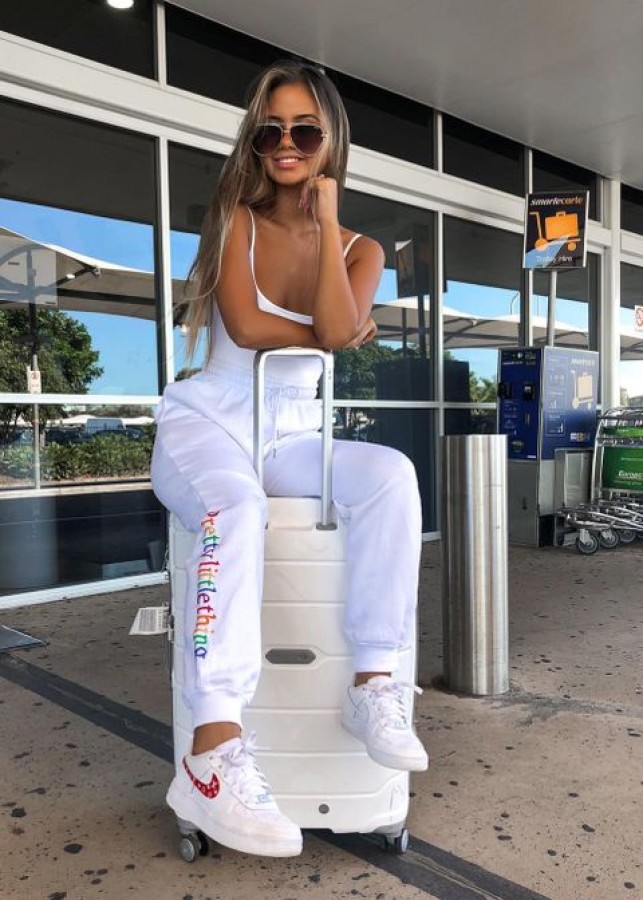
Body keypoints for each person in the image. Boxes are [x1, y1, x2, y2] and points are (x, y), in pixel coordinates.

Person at [151, 59, 427, 859]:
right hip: (209, 423)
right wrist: (332, 331)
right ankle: (210, 753)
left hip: (291, 435)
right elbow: (248, 326)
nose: (284, 143)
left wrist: (327, 216)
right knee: (234, 506)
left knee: (389, 477)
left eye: (305, 131)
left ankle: (372, 682)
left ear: (331, 139)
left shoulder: (361, 249)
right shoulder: (235, 218)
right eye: (269, 129)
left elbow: (338, 328)